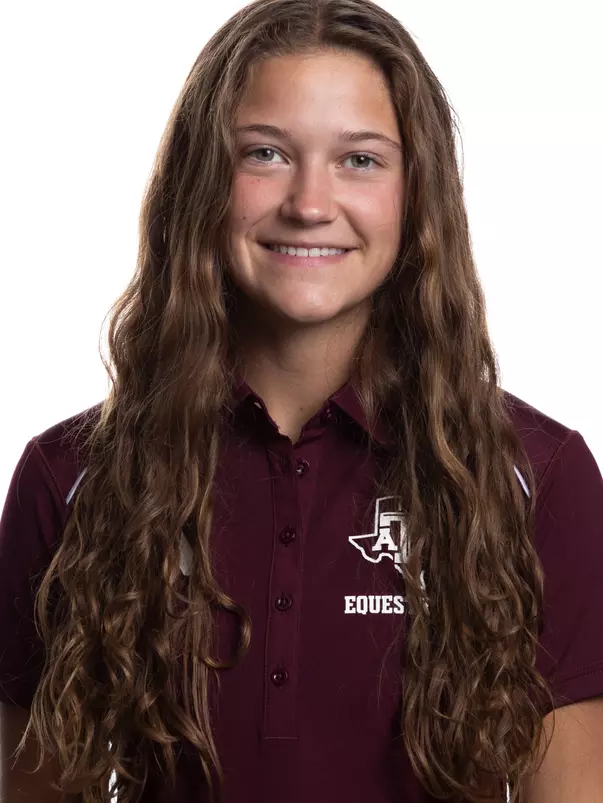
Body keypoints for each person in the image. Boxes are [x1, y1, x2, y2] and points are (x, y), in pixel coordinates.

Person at [1, 0, 602, 801]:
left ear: (416, 192)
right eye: (265, 153)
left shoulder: (537, 475)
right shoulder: (70, 477)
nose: (310, 203)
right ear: (202, 180)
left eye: (359, 160)